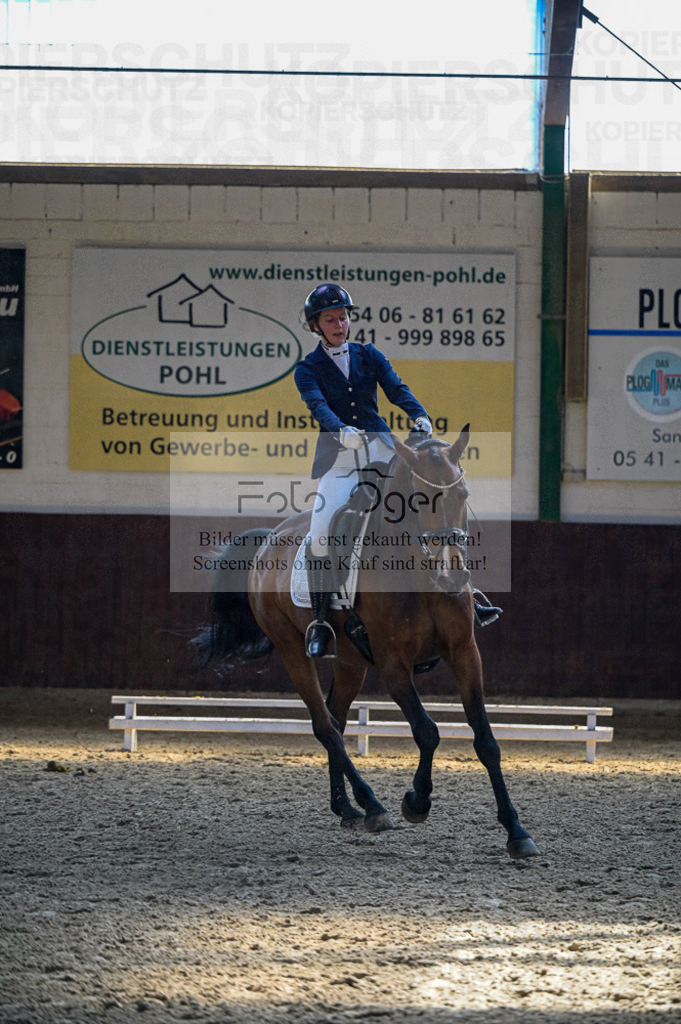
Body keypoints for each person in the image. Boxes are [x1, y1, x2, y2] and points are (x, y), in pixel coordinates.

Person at [294, 283, 499, 659]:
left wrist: (418, 415)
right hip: (341, 461)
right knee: (321, 530)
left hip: (383, 452)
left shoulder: (369, 354)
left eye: (343, 316)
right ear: (316, 325)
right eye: (330, 319)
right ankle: (322, 621)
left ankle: (468, 595)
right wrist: (340, 430)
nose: (340, 324)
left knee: (432, 505)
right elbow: (317, 404)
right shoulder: (307, 368)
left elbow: (396, 388)